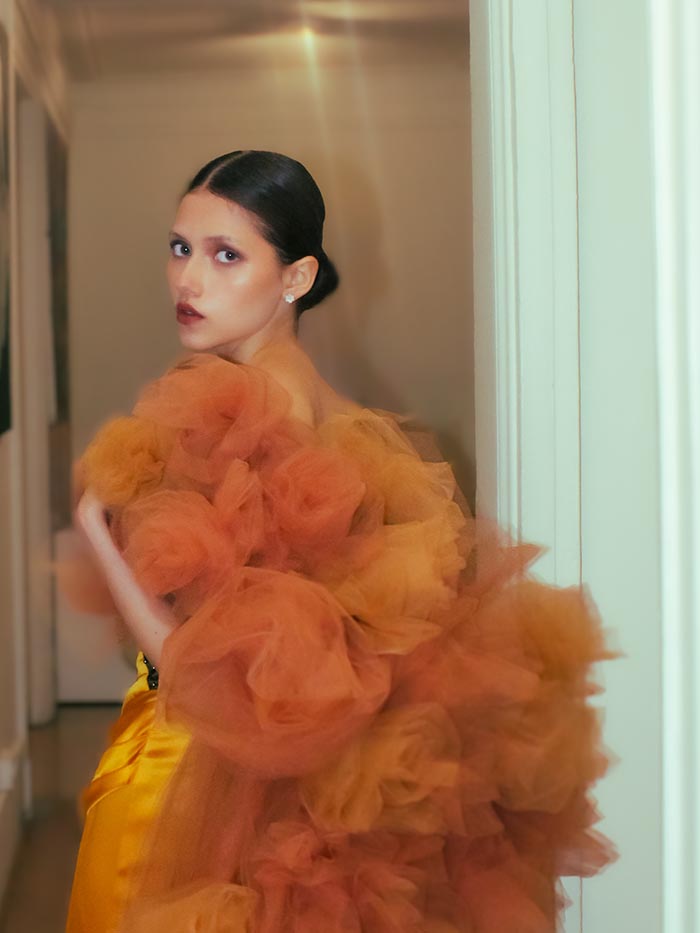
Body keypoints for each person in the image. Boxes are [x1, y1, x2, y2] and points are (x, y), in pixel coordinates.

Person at [64, 150, 614, 933]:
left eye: (227, 255)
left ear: (296, 277)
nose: (190, 279)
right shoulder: (308, 396)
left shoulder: (252, 410)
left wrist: (96, 528)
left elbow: (211, 673)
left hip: (194, 783)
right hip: (247, 787)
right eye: (181, 247)